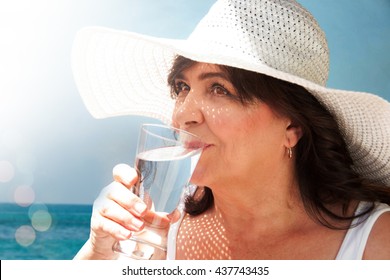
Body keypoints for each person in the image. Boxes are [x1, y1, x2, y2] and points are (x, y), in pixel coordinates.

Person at [71, 0, 390, 259]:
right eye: (182, 87)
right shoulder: (157, 227)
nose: (183, 115)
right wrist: (98, 254)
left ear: (292, 126)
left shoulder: (374, 245)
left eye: (219, 89)